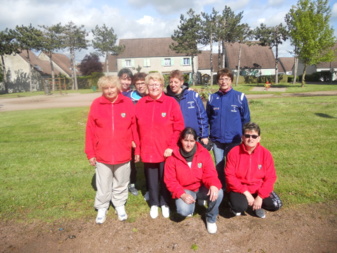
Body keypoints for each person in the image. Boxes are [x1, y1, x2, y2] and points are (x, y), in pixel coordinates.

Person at [85, 76, 139, 224]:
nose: (109, 91)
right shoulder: (96, 104)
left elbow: (134, 127)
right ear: (102, 89)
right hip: (103, 153)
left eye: (112, 87)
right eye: (106, 88)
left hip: (123, 152)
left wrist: (137, 149)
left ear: (118, 87)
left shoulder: (127, 103)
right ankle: (102, 207)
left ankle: (119, 204)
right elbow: (90, 130)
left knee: (121, 182)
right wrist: (90, 153)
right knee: (103, 184)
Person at [136, 72, 185, 219]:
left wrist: (171, 147)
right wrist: (138, 148)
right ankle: (154, 203)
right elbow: (135, 128)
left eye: (157, 84)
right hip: (148, 149)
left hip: (165, 150)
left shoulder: (170, 103)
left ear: (162, 86)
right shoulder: (141, 103)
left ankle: (164, 202)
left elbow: (179, 126)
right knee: (151, 179)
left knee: (165, 178)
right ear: (147, 87)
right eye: (151, 85)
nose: (154, 87)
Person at [164, 127, 223, 234]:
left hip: (201, 187)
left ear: (196, 141)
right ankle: (192, 205)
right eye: (186, 140)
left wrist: (213, 184)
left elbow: (210, 173)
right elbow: (170, 180)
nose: (188, 144)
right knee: (184, 210)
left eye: (192, 141)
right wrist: (182, 194)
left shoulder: (203, 153)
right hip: (185, 189)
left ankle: (211, 218)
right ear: (181, 140)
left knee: (218, 192)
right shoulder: (172, 157)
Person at [225, 122, 282, 219]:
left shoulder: (265, 154)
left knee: (276, 204)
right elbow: (229, 176)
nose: (250, 139)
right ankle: (233, 203)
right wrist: (246, 193)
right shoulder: (234, 152)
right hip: (240, 188)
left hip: (258, 187)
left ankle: (257, 206)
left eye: (254, 136)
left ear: (259, 138)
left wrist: (260, 197)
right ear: (242, 137)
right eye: (247, 135)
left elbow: (270, 177)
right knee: (239, 207)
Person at [206, 68, 250, 187]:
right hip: (217, 140)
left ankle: (234, 188)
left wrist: (245, 137)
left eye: (226, 79)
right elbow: (207, 119)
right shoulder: (212, 98)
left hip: (233, 140)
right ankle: (222, 189)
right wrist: (207, 136)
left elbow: (246, 119)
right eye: (221, 79)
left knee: (233, 166)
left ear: (231, 80)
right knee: (219, 165)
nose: (224, 81)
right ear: (217, 81)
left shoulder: (239, 97)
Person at [166, 70, 209, 146]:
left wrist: (204, 135)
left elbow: (202, 116)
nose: (173, 85)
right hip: (174, 138)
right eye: (171, 82)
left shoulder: (192, 96)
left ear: (181, 82)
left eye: (176, 82)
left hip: (192, 137)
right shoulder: (166, 98)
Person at [124, 72, 148, 196]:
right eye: (137, 84)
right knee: (132, 159)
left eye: (142, 83)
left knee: (148, 160)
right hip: (133, 133)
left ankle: (150, 185)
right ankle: (131, 183)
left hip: (148, 134)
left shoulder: (153, 95)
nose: (140, 86)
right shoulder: (129, 96)